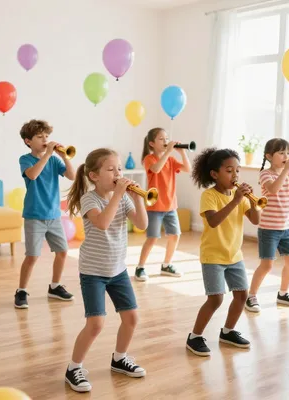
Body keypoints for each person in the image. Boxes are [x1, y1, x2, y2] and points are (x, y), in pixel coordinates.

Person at [64, 148, 148, 392]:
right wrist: (119, 195)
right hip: (93, 272)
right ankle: (73, 368)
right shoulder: (89, 199)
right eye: (111, 169)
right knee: (96, 324)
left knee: (131, 318)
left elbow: (142, 224)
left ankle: (120, 358)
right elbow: (102, 223)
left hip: (117, 270)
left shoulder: (123, 198)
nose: (118, 173)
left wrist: (138, 198)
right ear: (94, 176)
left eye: (119, 168)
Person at [186, 148, 261, 357]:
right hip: (213, 257)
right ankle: (194, 336)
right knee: (216, 299)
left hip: (234, 255)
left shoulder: (241, 198)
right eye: (229, 171)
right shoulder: (209, 196)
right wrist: (236, 200)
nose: (235, 175)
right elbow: (213, 221)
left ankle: (228, 332)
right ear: (214, 174)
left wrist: (253, 202)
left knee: (242, 295)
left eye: (237, 170)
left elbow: (255, 220)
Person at [14, 119, 76, 308]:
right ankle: (21, 291)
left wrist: (64, 157)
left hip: (54, 215)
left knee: (62, 252)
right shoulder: (25, 159)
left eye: (47, 136)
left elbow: (72, 176)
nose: (45, 140)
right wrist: (48, 154)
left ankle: (55, 286)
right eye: (40, 137)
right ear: (28, 141)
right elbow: (33, 175)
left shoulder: (55, 160)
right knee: (32, 256)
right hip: (34, 216)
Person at [245, 138, 289, 313]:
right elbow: (273, 189)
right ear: (269, 156)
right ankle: (251, 296)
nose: (286, 156)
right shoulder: (265, 174)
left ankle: (283, 293)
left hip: (286, 228)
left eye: (288, 153)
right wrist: (287, 170)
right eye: (281, 153)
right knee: (267, 265)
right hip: (269, 229)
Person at [135, 127, 191, 281]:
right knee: (152, 238)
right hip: (155, 206)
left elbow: (188, 168)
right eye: (161, 139)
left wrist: (182, 153)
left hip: (170, 206)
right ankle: (140, 267)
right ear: (152, 144)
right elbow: (156, 169)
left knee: (175, 235)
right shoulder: (149, 159)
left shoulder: (171, 160)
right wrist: (168, 152)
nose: (165, 141)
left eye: (167, 138)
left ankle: (167, 265)